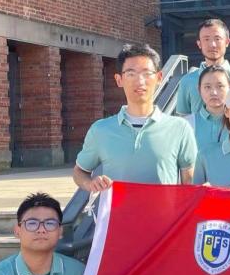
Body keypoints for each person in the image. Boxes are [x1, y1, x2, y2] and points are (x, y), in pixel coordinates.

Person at [74, 43, 197, 192]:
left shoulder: (180, 128)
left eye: (146, 73)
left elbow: (189, 182)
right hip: (117, 208)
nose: (140, 81)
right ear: (119, 80)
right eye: (131, 74)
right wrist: (90, 184)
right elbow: (80, 171)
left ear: (159, 77)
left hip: (164, 208)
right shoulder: (100, 130)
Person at [174, 18, 230, 116]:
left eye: (217, 39)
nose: (212, 45)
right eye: (206, 39)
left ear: (227, 42)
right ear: (199, 44)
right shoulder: (187, 81)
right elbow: (183, 119)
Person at [185, 64, 230, 157]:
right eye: (207, 87)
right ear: (199, 90)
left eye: (220, 86)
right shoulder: (187, 123)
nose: (214, 92)